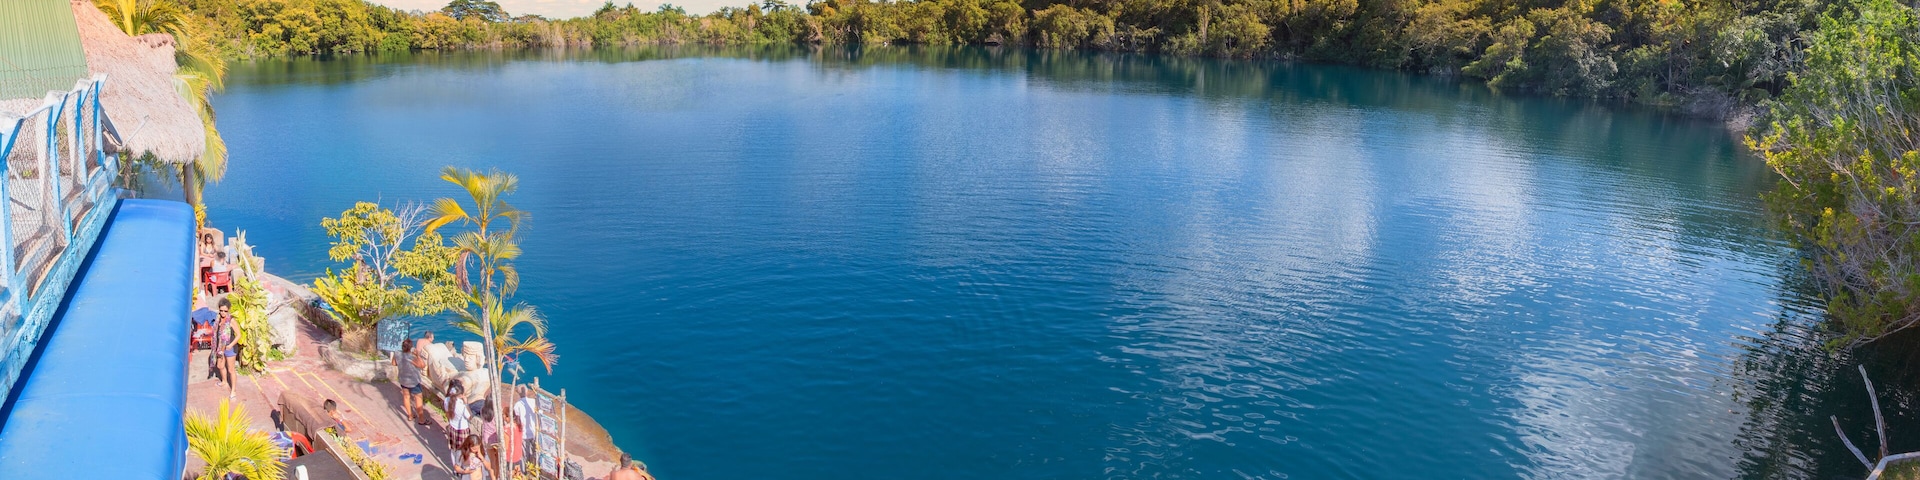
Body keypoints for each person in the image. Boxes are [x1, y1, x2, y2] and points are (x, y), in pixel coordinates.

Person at [395, 336, 427, 425]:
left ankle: (410, 416)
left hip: (403, 379)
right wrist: (418, 355)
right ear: (410, 348)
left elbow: (394, 363)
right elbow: (422, 365)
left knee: (406, 397)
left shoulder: (397, 353)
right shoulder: (412, 357)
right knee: (418, 398)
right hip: (414, 381)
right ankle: (421, 419)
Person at [213, 299, 239, 399]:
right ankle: (224, 381)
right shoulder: (218, 318)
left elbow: (239, 335)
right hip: (220, 347)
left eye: (225, 311)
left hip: (229, 348)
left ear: (228, 310)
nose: (223, 313)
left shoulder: (231, 320)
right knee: (220, 365)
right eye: (221, 310)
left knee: (231, 369)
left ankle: (233, 390)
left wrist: (231, 345)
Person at [511, 384, 539, 463]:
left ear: (518, 393)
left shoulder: (517, 405)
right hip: (534, 432)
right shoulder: (533, 402)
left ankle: (527, 467)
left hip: (524, 434)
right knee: (536, 453)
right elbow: (540, 414)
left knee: (526, 456)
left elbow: (517, 420)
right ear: (527, 391)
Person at [446, 379, 471, 446]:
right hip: (462, 429)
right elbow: (469, 417)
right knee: (463, 448)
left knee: (453, 447)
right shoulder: (461, 406)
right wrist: (466, 403)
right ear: (461, 395)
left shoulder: (446, 400)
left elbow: (447, 413)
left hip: (452, 427)